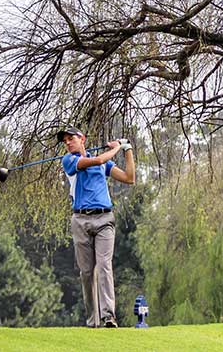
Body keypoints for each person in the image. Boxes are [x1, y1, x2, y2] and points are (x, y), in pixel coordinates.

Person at [56, 127, 135, 328]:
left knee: (104, 265)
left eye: (71, 138)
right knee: (87, 272)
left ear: (82, 139)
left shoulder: (104, 164)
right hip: (80, 220)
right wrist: (116, 148)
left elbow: (129, 178)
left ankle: (109, 316)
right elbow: (97, 161)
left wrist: (127, 150)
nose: (67, 142)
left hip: (104, 219)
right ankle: (93, 320)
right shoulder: (70, 161)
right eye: (65, 140)